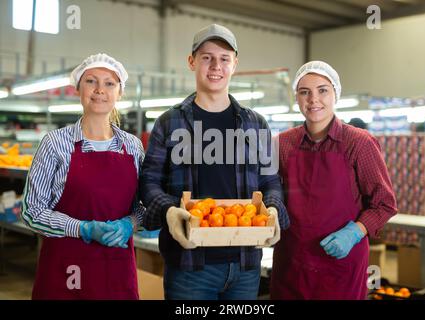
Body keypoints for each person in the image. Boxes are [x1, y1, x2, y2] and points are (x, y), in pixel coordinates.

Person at [139, 24, 289, 300]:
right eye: (207, 57)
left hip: (245, 264)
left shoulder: (256, 124)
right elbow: (149, 182)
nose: (215, 66)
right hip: (189, 266)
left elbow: (271, 181)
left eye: (224, 59)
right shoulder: (169, 123)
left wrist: (275, 209)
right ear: (191, 61)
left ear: (235, 64)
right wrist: (170, 211)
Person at [22, 53, 145, 300]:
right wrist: (83, 229)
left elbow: (144, 207)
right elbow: (32, 212)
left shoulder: (133, 147)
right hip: (64, 273)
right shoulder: (55, 144)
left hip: (116, 271)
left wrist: (129, 224)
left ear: (120, 92)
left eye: (109, 83)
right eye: (91, 81)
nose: (100, 90)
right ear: (78, 88)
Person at [271, 61, 397, 300]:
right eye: (304, 92)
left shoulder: (359, 143)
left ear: (335, 94)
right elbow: (271, 192)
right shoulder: (282, 144)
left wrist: (355, 232)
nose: (313, 99)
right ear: (296, 98)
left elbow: (384, 203)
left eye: (322, 90)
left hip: (341, 267)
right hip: (292, 264)